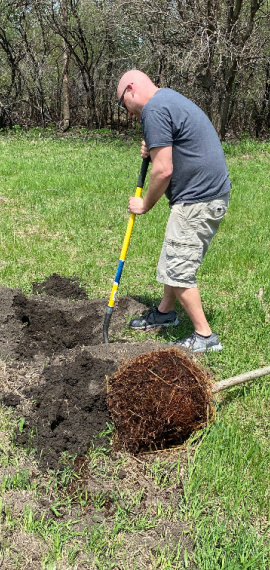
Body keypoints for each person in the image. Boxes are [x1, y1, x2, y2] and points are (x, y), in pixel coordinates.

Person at [117, 70, 231, 353]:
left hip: (198, 199)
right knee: (173, 256)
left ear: (131, 89)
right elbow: (171, 147)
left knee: (178, 267)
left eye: (123, 104)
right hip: (206, 195)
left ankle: (205, 337)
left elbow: (163, 169)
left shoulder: (153, 110)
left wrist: (144, 205)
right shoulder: (167, 98)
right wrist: (153, 148)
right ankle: (165, 313)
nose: (128, 114)